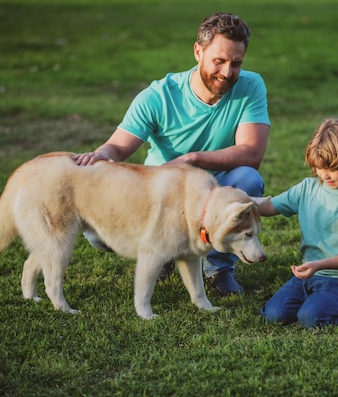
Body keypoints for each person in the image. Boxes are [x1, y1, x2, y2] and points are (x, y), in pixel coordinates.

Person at [73, 12, 270, 296]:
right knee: (97, 237)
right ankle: (164, 252)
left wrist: (192, 159)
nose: (227, 72)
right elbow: (116, 147)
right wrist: (99, 156)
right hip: (162, 196)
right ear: (198, 51)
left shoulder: (250, 86)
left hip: (217, 189)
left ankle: (219, 269)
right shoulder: (158, 96)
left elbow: (252, 154)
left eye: (236, 63)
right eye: (219, 61)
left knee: (248, 180)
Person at [253, 118, 338, 328]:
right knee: (274, 314)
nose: (324, 174)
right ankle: (316, 300)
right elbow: (269, 206)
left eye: (332, 167)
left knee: (310, 318)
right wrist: (237, 200)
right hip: (308, 277)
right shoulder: (307, 189)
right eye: (319, 167)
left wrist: (318, 265)